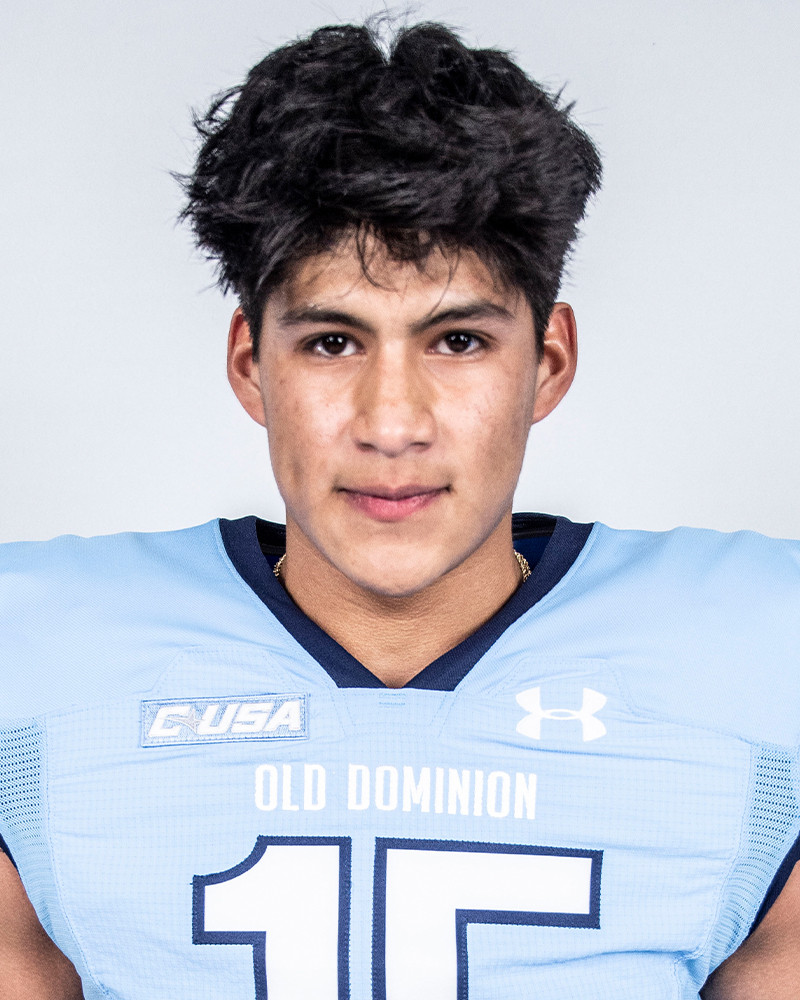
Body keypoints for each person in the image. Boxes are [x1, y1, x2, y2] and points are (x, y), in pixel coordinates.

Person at [0, 18, 798, 1000]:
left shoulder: (763, 658)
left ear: (547, 362)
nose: (391, 423)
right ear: (251, 365)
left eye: (457, 341)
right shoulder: (32, 658)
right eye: (331, 343)